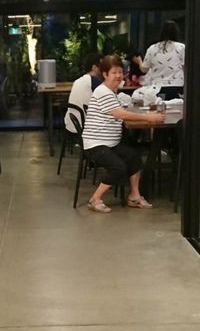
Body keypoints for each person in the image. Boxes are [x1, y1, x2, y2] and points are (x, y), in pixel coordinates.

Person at [82, 54, 165, 213]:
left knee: (134, 157)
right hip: (96, 145)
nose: (118, 76)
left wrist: (146, 116)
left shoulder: (110, 91)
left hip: (110, 143)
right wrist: (148, 118)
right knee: (118, 168)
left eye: (120, 72)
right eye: (114, 72)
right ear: (105, 74)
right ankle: (95, 199)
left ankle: (134, 196)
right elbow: (120, 114)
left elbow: (120, 112)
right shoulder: (103, 92)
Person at [140, 20, 185, 99]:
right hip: (177, 85)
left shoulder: (152, 48)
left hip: (157, 87)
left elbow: (144, 69)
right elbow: (186, 67)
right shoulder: (181, 47)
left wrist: (139, 61)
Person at [64, 52, 102, 132]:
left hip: (72, 124)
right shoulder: (94, 80)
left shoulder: (78, 81)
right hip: (86, 127)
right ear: (94, 67)